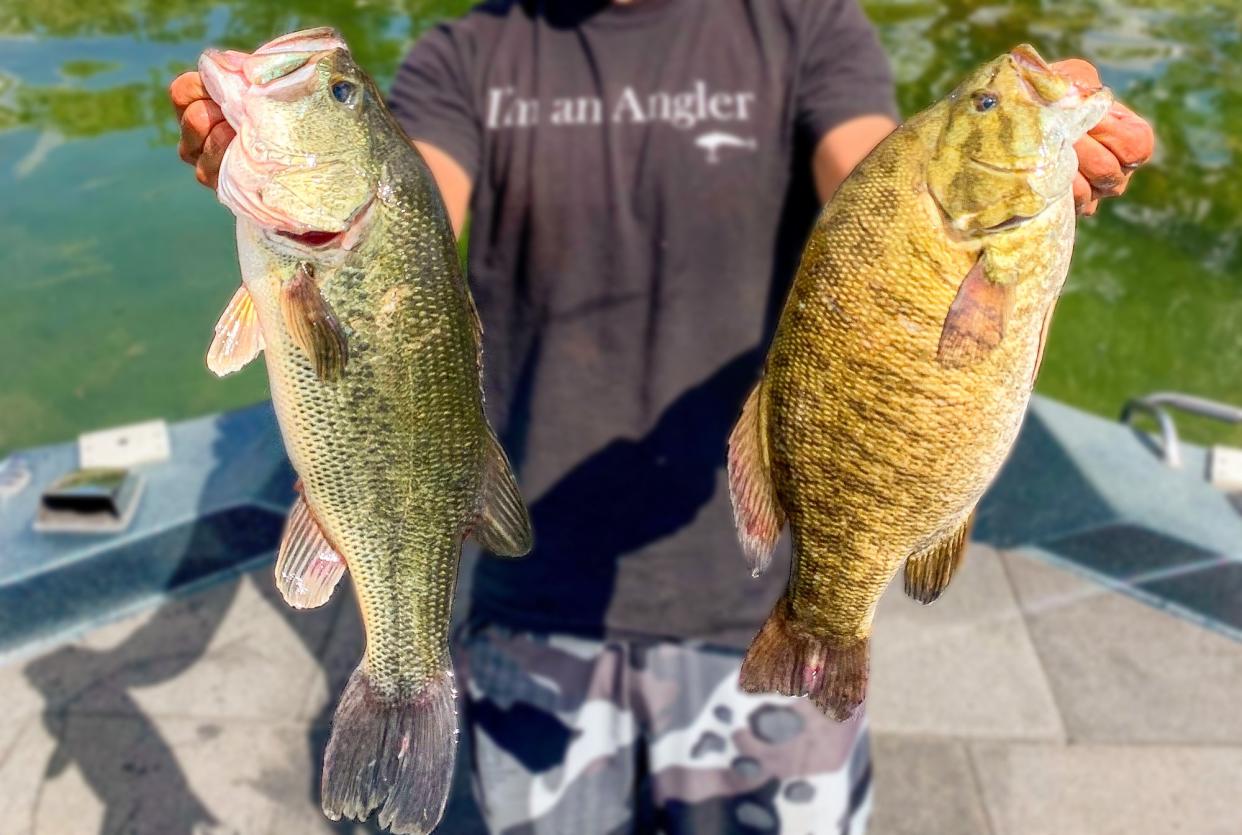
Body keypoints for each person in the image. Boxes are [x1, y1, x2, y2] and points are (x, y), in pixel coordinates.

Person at [171, 2, 1153, 832]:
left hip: (757, 594)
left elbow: (872, 184)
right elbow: (413, 205)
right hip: (533, 598)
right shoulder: (467, 51)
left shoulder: (804, 22)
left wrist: (1015, 182)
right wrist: (277, 173)